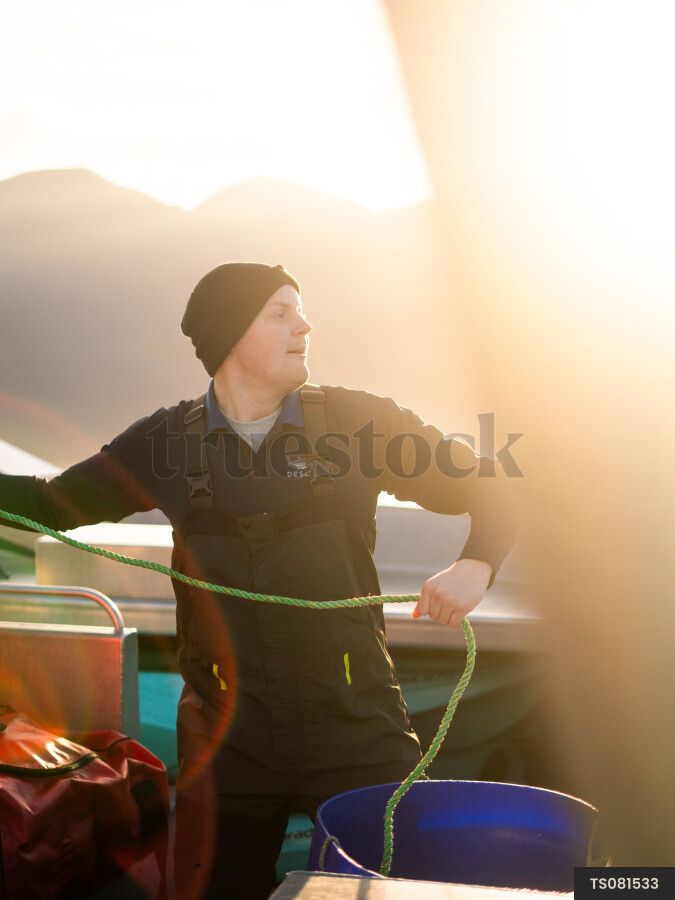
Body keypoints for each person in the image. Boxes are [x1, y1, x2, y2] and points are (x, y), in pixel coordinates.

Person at [0, 262, 518, 899]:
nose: (305, 325)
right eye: (280, 313)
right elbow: (53, 504)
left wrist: (477, 564)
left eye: (300, 309)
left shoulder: (362, 425)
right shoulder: (163, 443)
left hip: (355, 721)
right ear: (230, 338)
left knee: (404, 886)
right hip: (227, 739)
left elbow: (494, 482)